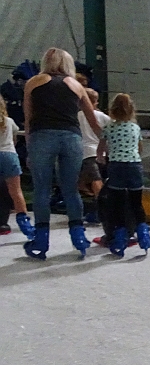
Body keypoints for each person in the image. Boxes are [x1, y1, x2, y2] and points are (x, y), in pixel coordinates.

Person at [21, 47, 104, 260]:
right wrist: (107, 143)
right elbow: (93, 120)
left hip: (41, 136)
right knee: (71, 190)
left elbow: (28, 119)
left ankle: (41, 239)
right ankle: (78, 236)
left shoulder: (33, 83)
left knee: (41, 189)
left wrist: (30, 148)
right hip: (71, 138)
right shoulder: (76, 85)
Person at [97, 93, 150, 256]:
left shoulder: (108, 128)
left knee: (118, 204)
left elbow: (101, 149)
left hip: (116, 167)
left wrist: (102, 158)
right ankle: (143, 233)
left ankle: (120, 237)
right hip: (134, 166)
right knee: (136, 203)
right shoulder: (135, 128)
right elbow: (140, 148)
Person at [0, 98, 34, 238]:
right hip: (9, 155)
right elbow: (14, 140)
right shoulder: (9, 121)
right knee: (16, 192)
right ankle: (25, 224)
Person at [77, 88, 111, 224]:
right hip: (101, 153)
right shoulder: (103, 117)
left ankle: (101, 211)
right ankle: (101, 209)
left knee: (95, 182)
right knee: (95, 181)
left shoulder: (77, 116)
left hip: (86, 153)